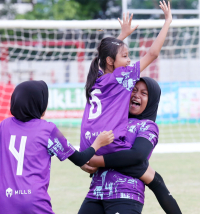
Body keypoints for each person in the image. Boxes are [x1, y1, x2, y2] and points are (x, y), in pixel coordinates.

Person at [79, 1, 181, 213]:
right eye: (134, 90)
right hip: (96, 190)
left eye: (144, 93)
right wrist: (167, 23)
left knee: (157, 181)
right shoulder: (119, 82)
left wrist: (93, 158)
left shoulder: (97, 80)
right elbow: (152, 53)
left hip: (124, 192)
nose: (135, 94)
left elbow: (136, 158)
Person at [0, 80, 114, 214]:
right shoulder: (47, 129)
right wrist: (97, 144)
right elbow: (79, 159)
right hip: (34, 203)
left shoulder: (3, 126)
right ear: (39, 104)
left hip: (4, 204)